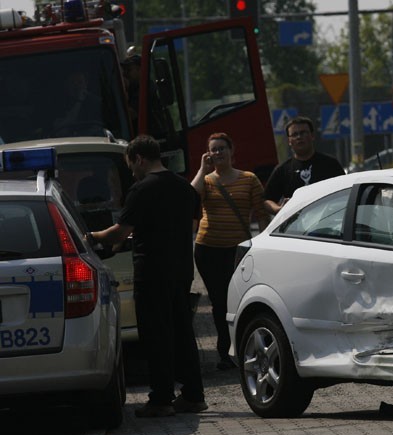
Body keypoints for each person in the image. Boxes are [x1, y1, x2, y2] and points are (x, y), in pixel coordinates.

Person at [90, 135, 207, 417]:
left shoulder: (141, 189)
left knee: (156, 337)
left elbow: (119, 232)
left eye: (131, 165)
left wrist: (88, 236)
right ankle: (193, 395)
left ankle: (161, 400)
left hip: (151, 272)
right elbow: (192, 223)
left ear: (140, 158)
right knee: (182, 334)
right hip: (181, 271)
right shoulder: (183, 187)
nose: (132, 171)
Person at [192, 132, 269, 371]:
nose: (218, 153)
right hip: (207, 250)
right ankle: (224, 352)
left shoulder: (249, 179)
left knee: (238, 300)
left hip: (237, 251)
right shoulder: (205, 180)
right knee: (218, 301)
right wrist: (201, 171)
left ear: (231, 151)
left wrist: (265, 245)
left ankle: (242, 347)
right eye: (213, 149)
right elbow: (190, 197)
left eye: (222, 148)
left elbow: (261, 212)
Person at [263, 116, 345, 216]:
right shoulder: (283, 169)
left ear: (312, 136)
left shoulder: (331, 164)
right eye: (294, 134)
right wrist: (279, 210)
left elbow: (344, 194)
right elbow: (267, 200)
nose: (299, 137)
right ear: (289, 141)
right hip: (295, 228)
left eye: (303, 133)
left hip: (328, 223)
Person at [53, 71, 103, 136]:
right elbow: (61, 129)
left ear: (86, 84)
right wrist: (79, 101)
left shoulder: (96, 102)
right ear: (67, 85)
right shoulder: (60, 103)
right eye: (73, 82)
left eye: (80, 82)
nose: (77, 86)